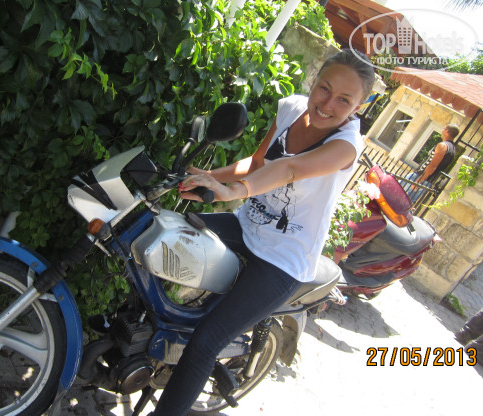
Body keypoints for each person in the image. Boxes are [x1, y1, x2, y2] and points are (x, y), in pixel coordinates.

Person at [150, 49, 375, 416]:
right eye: (324, 88)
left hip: (283, 259)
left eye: (344, 100)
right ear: (314, 82)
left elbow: (289, 169)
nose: (327, 104)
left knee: (206, 341)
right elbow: (257, 163)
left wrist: (234, 191)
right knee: (158, 233)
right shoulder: (291, 109)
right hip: (245, 226)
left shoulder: (346, 146)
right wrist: (209, 177)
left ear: (357, 107)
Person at [405, 124, 459, 203]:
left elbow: (433, 165)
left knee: (392, 193)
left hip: (419, 177)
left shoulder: (443, 146)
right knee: (407, 203)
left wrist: (419, 180)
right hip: (428, 181)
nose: (442, 130)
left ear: (447, 132)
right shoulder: (453, 150)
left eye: (444, 128)